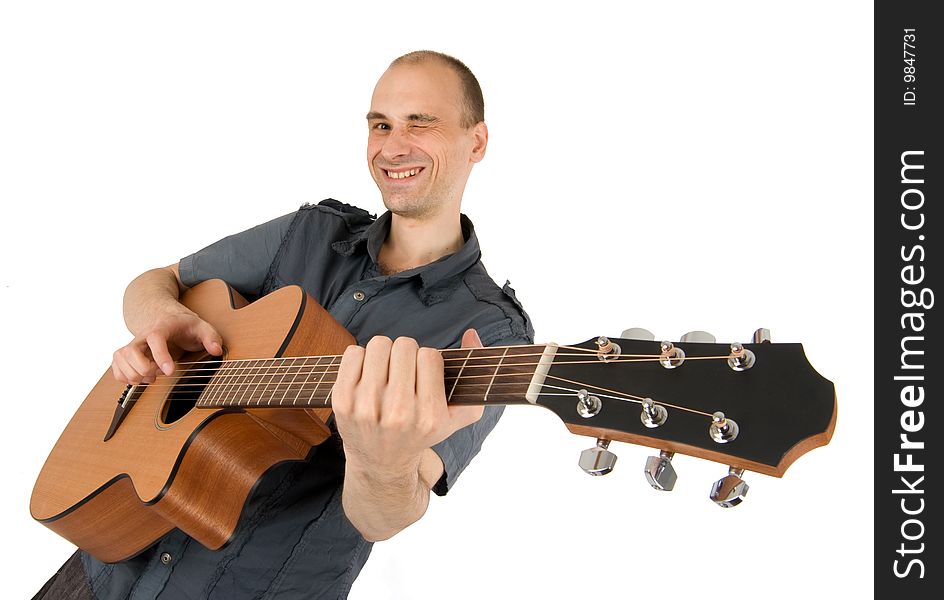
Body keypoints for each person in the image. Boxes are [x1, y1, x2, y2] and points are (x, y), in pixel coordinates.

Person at [34, 50, 532, 600]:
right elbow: (155, 281)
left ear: (477, 142)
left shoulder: (490, 334)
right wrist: (161, 322)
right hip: (108, 566)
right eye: (381, 124)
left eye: (421, 123)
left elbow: (385, 517)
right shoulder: (309, 233)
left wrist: (379, 460)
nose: (394, 146)